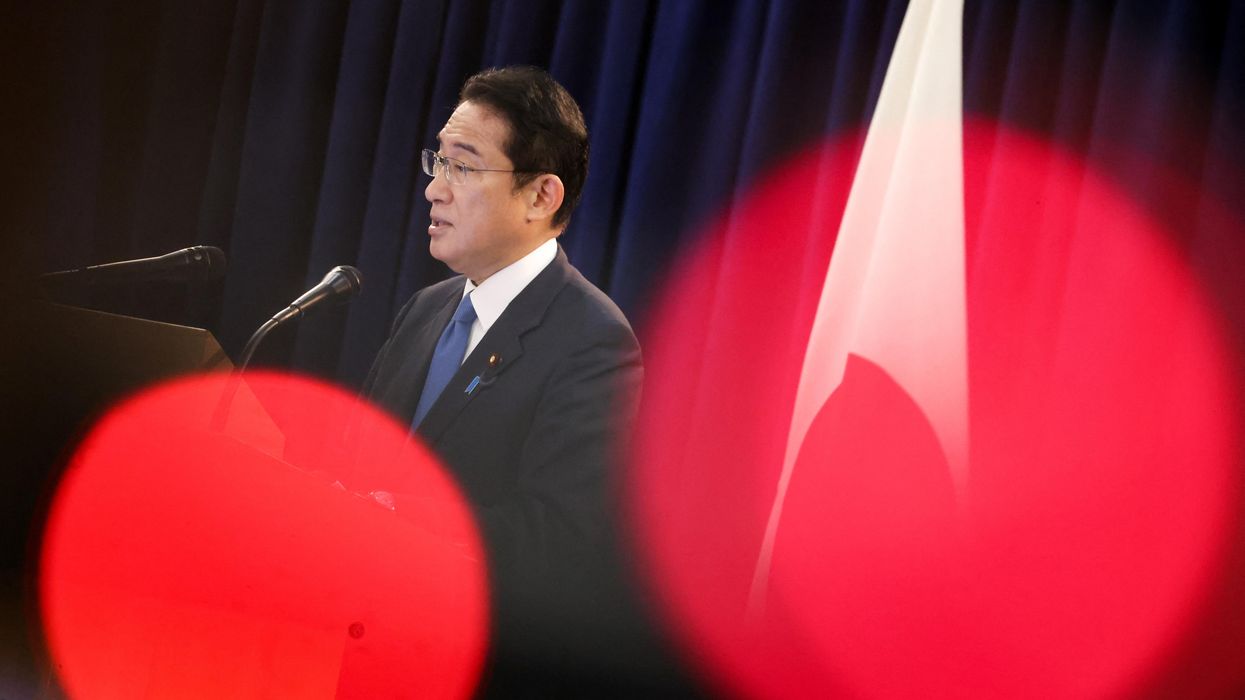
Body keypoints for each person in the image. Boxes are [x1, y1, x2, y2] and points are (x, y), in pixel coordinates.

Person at [360, 66, 672, 696]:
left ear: (541, 196)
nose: (434, 191)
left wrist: (397, 519)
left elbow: (558, 535)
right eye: (437, 163)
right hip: (360, 641)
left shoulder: (592, 339)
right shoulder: (426, 310)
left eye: (464, 167)